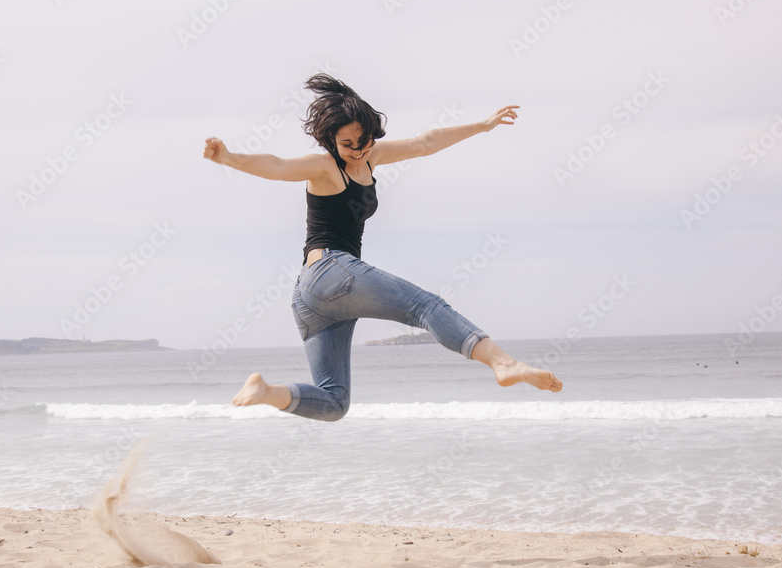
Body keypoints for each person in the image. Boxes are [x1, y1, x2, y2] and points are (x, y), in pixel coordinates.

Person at [203, 74, 562, 422]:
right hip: (330, 271)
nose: (358, 152)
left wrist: (482, 126)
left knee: (334, 402)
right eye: (348, 145)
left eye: (365, 142)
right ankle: (503, 363)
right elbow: (278, 166)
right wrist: (229, 158)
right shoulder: (325, 166)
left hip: (311, 299)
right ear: (330, 140)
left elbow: (425, 142)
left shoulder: (371, 157)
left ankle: (267, 393)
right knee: (425, 306)